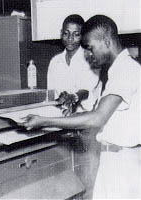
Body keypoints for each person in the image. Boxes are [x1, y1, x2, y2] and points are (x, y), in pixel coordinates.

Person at [22, 15, 140, 199]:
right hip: (112, 159)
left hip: (123, 164)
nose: (88, 54)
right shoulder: (115, 71)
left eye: (90, 48)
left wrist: (44, 120)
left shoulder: (126, 70)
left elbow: (97, 118)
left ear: (107, 41)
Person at [47, 14, 99, 116]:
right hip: (61, 117)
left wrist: (73, 97)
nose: (70, 38)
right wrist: (60, 100)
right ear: (61, 33)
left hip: (85, 117)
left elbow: (86, 92)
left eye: (76, 34)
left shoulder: (91, 59)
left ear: (83, 36)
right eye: (66, 33)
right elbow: (51, 96)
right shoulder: (55, 62)